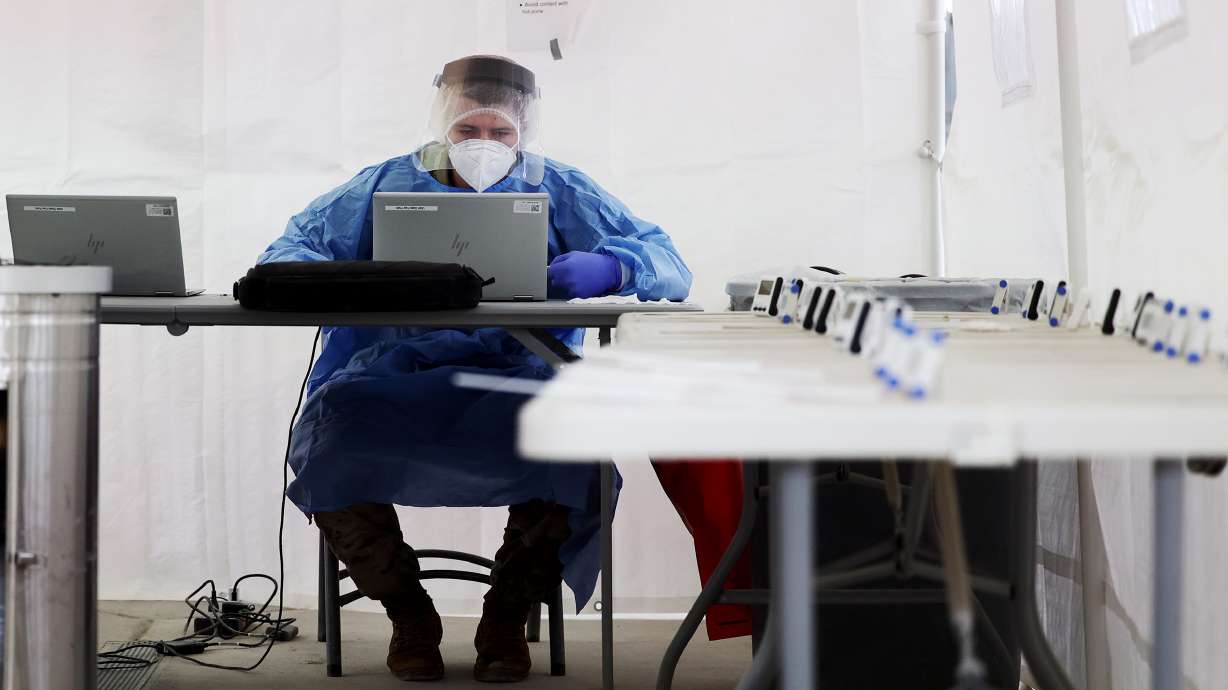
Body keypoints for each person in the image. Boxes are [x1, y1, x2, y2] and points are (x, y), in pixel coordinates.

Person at [260, 54, 691, 683]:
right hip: (387, 379)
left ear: (524, 132)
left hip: (518, 374)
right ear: (442, 124)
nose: (484, 146)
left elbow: (667, 260)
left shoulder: (559, 188)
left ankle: (505, 619)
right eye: (468, 131)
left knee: (582, 456)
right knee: (331, 446)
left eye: (501, 134)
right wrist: (359, 280)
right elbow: (288, 254)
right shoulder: (384, 185)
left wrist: (616, 268)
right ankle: (410, 615)